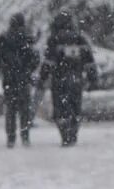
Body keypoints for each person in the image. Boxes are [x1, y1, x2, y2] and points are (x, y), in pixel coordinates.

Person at [41, 13, 100, 147]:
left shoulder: (54, 39)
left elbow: (48, 62)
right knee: (75, 107)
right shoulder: (80, 39)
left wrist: (42, 78)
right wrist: (93, 79)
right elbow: (89, 62)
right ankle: (73, 132)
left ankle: (65, 134)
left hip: (59, 80)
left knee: (60, 108)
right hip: (76, 80)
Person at [0, 12, 40, 148]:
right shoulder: (28, 39)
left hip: (9, 78)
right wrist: (28, 69)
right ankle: (25, 135)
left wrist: (3, 67)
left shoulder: (3, 39)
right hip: (24, 78)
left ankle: (11, 137)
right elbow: (35, 58)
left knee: (10, 108)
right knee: (24, 109)